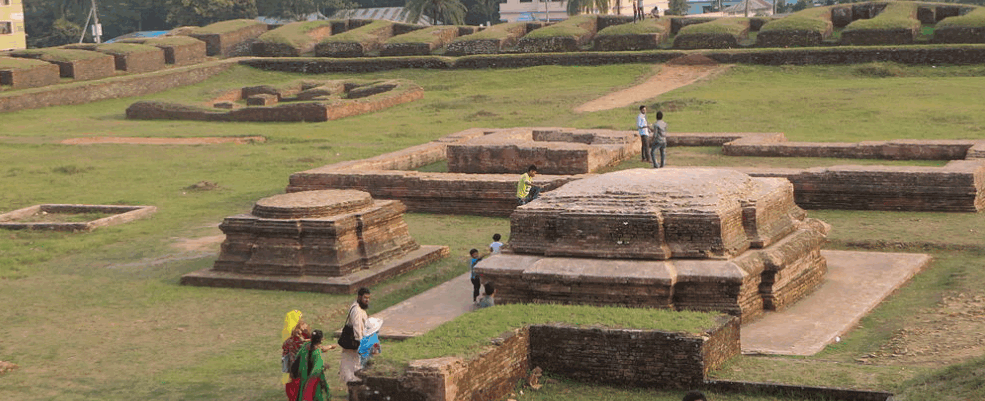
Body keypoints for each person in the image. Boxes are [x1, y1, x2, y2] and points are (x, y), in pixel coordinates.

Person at [340, 288, 370, 387]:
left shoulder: (359, 308)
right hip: (354, 341)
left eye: (368, 298)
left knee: (352, 362)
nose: (367, 300)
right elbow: (357, 327)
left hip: (356, 341)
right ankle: (352, 383)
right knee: (353, 363)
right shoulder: (356, 310)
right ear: (359, 297)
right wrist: (361, 342)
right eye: (365, 298)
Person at [281, 310, 311, 401]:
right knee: (298, 382)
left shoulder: (288, 332)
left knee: (293, 381)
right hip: (298, 363)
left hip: (291, 362)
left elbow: (284, 346)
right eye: (300, 318)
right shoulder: (297, 333)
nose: (301, 320)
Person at [295, 330, 329, 401]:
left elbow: (297, 358)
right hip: (313, 384)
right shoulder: (318, 353)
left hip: (303, 378)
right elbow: (317, 370)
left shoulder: (305, 346)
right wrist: (323, 366)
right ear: (321, 340)